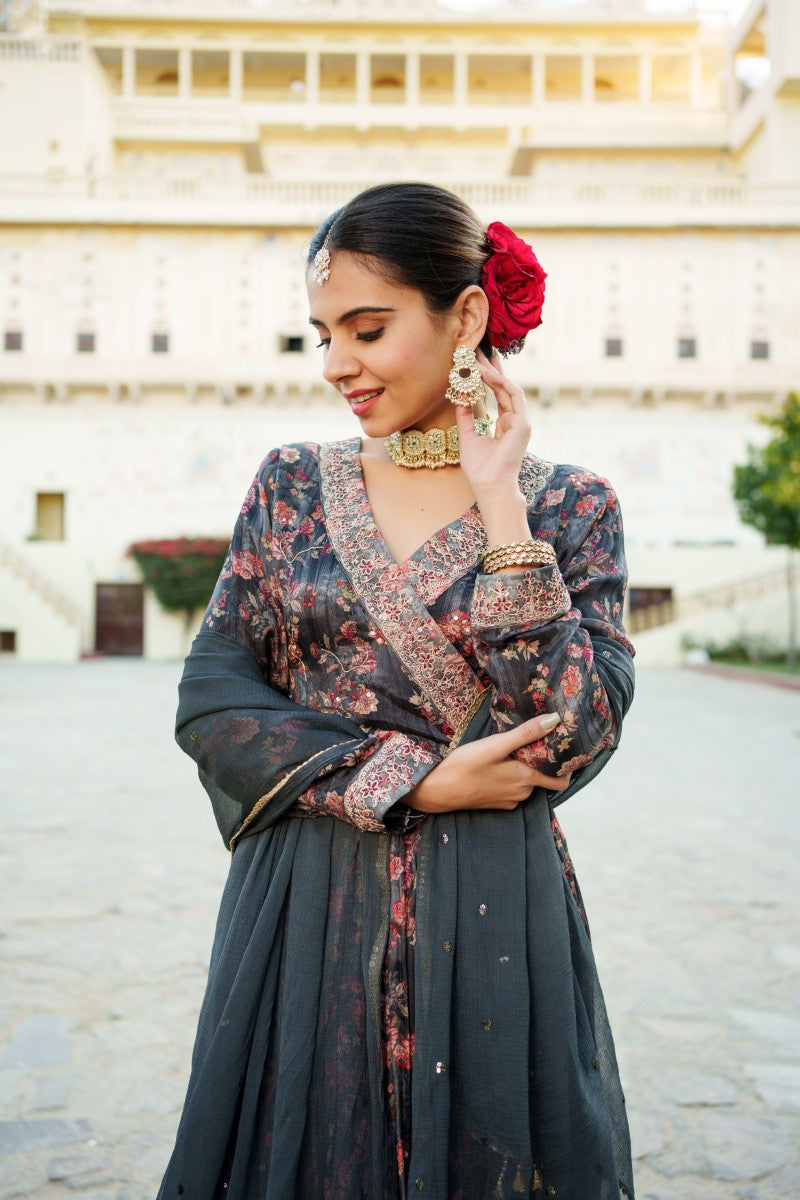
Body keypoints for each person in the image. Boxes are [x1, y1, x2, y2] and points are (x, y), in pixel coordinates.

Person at [158, 182, 636, 1200]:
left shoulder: (569, 505)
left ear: (463, 316)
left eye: (367, 329)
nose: (336, 364)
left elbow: (574, 736)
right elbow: (212, 698)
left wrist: (500, 500)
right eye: (323, 332)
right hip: (305, 898)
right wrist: (412, 780)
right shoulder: (289, 485)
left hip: (493, 910)